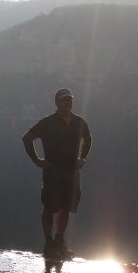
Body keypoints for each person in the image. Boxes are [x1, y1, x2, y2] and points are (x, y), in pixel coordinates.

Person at [22, 88, 92, 260]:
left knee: (65, 206)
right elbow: (27, 138)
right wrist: (38, 160)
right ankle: (48, 241)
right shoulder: (47, 123)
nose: (67, 103)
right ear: (57, 103)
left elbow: (88, 138)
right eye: (64, 100)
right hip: (53, 170)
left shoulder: (78, 122)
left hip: (71, 171)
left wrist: (82, 158)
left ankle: (59, 241)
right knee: (49, 206)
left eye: (69, 100)